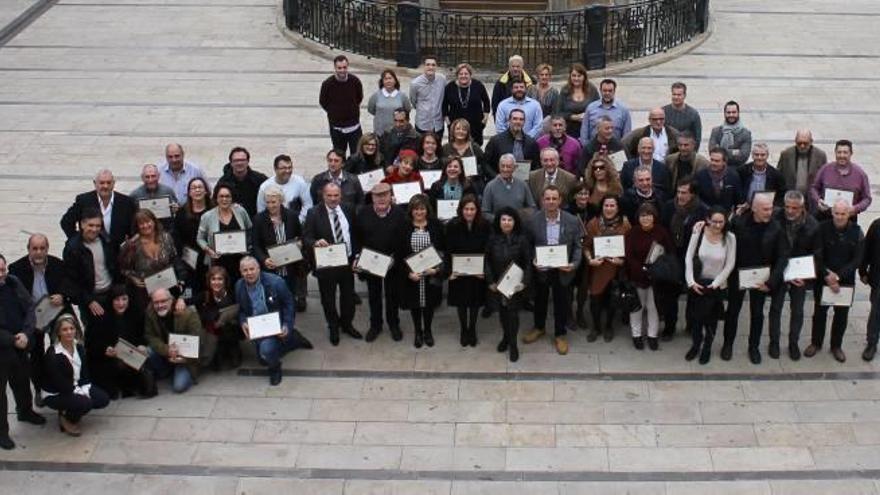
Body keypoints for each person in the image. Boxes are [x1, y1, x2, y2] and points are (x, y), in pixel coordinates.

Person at [723, 193, 789, 364]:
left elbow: (782, 257)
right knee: (732, 311)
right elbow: (722, 235)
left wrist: (771, 282)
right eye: (765, 209)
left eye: (771, 208)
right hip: (738, 275)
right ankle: (727, 344)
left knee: (757, 314)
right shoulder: (738, 223)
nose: (769, 212)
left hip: (761, 279)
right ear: (754, 209)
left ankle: (754, 347)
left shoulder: (777, 228)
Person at [9, 233, 73, 404]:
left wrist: (62, 295)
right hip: (33, 317)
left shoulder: (58, 264)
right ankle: (40, 389)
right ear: (28, 249)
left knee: (60, 350)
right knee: (35, 356)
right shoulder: (16, 269)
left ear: (47, 249)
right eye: (34, 249)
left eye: (42, 248)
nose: (38, 252)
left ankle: (64, 384)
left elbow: (69, 285)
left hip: (55, 312)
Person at [522, 186, 584, 355]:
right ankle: (539, 327)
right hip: (541, 268)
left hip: (563, 269)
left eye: (554, 198)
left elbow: (578, 246)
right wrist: (533, 260)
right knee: (540, 299)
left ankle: (560, 334)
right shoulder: (533, 221)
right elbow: (527, 245)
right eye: (547, 198)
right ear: (542, 200)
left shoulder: (572, 220)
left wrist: (573, 264)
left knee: (561, 302)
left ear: (560, 200)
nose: (551, 202)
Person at [804, 201, 864, 363]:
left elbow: (857, 260)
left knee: (841, 315)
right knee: (819, 313)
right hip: (823, 278)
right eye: (836, 213)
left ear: (849, 214)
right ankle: (816, 343)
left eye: (843, 213)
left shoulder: (857, 232)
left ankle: (836, 346)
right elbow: (816, 254)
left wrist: (837, 277)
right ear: (832, 213)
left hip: (844, 282)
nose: (839, 217)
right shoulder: (821, 228)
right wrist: (827, 275)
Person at [303, 182, 360, 345]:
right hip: (326, 263)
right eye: (329, 195)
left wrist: (356, 255)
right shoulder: (313, 213)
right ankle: (333, 327)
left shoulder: (348, 209)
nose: (333, 199)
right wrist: (315, 242)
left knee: (348, 296)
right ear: (323, 195)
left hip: (347, 261)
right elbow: (306, 237)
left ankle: (347, 324)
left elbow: (354, 233)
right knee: (328, 298)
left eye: (336, 195)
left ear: (341, 195)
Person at [767, 191, 820, 360]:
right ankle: (774, 342)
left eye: (794, 208)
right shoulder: (775, 217)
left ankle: (793, 343)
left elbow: (816, 254)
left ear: (802, 208)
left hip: (799, 275)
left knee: (797, 310)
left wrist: (805, 276)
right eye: (787, 207)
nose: (790, 211)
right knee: (775, 308)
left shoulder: (812, 225)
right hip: (779, 271)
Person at [0, 253, 45, 449]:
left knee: (22, 379)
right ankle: (2, 433)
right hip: (3, 347)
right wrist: (12, 340)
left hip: (20, 341)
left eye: (3, 269)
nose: (2, 274)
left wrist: (26, 334)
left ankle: (25, 411)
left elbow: (29, 308)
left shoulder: (13, 282)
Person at [236, 256, 304, 385]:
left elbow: (289, 304)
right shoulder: (239, 286)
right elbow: (241, 310)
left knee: (267, 351)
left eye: (252, 269)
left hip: (274, 324)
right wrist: (243, 321)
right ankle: (293, 340)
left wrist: (286, 325)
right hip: (255, 326)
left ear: (259, 268)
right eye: (245, 270)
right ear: (240, 272)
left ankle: (275, 369)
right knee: (262, 360)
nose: (249, 273)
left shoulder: (276, 282)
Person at [354, 183, 406, 342]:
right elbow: (357, 236)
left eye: (385, 195)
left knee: (392, 296)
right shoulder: (363, 213)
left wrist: (395, 258)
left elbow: (404, 240)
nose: (381, 199)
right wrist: (358, 256)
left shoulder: (399, 213)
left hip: (393, 263)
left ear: (391, 196)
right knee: (374, 295)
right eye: (378, 196)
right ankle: (375, 325)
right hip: (372, 263)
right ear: (372, 198)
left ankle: (393, 324)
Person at [683, 207, 736, 364]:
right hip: (698, 283)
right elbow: (688, 257)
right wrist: (691, 282)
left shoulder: (730, 238)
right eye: (714, 221)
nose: (718, 225)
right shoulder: (698, 231)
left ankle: (707, 347)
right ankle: (696, 345)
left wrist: (716, 284)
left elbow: (730, 264)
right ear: (708, 220)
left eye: (721, 222)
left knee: (711, 320)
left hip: (716, 286)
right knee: (696, 319)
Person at [42, 315, 109, 436]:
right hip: (56, 392)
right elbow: (60, 384)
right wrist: (81, 395)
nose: (69, 332)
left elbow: (84, 374)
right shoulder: (53, 354)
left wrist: (84, 389)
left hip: (75, 386)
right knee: (85, 403)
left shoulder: (79, 347)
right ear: (58, 332)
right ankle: (66, 418)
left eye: (72, 328)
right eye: (65, 329)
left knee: (103, 399)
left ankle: (72, 408)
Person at [658, 177, 708, 340]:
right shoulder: (668, 207)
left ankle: (691, 325)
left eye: (684, 193)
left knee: (693, 295)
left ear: (693, 194)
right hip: (673, 256)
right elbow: (662, 231)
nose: (680, 196)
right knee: (671, 295)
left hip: (693, 257)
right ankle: (669, 327)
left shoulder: (702, 210)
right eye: (678, 192)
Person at [395, 194, 445, 348]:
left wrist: (436, 270)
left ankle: (428, 331)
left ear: (427, 209)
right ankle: (418, 331)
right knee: (415, 306)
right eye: (416, 209)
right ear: (411, 210)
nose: (419, 212)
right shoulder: (404, 226)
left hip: (430, 275)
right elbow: (399, 254)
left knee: (429, 306)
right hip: (413, 276)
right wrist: (408, 273)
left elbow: (442, 250)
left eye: (422, 209)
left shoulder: (435, 225)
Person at [624, 202, 675, 350]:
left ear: (654, 217)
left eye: (649, 216)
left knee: (653, 307)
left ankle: (652, 335)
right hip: (637, 276)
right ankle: (636, 335)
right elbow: (628, 255)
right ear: (638, 217)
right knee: (637, 307)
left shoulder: (661, 232)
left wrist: (657, 269)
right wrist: (640, 269)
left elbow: (669, 252)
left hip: (656, 277)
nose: (645, 219)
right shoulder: (632, 233)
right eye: (642, 216)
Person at [485, 207, 532, 361]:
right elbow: (486, 261)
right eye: (503, 219)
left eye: (510, 220)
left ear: (515, 222)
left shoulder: (522, 239)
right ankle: (505, 337)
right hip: (498, 284)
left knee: (513, 314)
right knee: (502, 313)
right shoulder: (492, 239)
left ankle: (513, 344)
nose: (506, 223)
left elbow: (528, 263)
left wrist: (524, 282)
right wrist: (490, 280)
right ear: (499, 222)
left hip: (515, 285)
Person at [89, 285, 153, 398]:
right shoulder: (101, 317)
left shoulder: (135, 313)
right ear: (111, 301)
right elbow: (91, 343)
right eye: (117, 300)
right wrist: (105, 349)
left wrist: (142, 345)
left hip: (130, 356)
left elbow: (143, 335)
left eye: (124, 299)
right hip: (107, 359)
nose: (121, 303)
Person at [62, 208, 120, 333]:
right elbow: (71, 280)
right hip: (90, 298)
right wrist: (89, 301)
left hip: (110, 293)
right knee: (94, 335)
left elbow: (114, 266)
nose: (94, 229)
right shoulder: (73, 248)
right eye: (91, 225)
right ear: (82, 224)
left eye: (98, 226)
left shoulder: (107, 240)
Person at [252, 184, 307, 311]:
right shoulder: (259, 219)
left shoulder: (292, 216)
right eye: (268, 202)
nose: (271, 205)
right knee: (272, 301)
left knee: (289, 299)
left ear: (281, 201)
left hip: (290, 268)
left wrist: (299, 243)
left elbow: (300, 236)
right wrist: (264, 259)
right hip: (271, 269)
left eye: (274, 202)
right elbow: (256, 245)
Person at [583, 195, 630, 342]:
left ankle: (609, 326)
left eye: (612, 206)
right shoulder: (593, 224)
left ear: (617, 208)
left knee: (612, 300)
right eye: (606, 206)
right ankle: (596, 327)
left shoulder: (625, 225)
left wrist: (622, 261)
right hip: (598, 269)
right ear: (602, 207)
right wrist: (590, 259)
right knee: (595, 300)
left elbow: (630, 249)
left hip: (616, 269)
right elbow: (585, 246)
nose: (609, 209)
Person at [445, 195, 490, 346]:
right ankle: (464, 329)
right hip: (458, 272)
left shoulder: (484, 226)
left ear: (477, 210)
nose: (469, 212)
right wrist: (450, 271)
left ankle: (472, 328)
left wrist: (484, 271)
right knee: (461, 302)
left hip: (477, 273)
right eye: (466, 209)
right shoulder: (453, 225)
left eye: (472, 209)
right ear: (461, 210)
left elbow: (487, 250)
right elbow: (448, 250)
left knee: (475, 302)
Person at [119, 209, 183, 312]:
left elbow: (173, 259)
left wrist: (175, 278)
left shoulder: (166, 237)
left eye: (148, 221)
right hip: (144, 293)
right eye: (141, 223)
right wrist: (132, 278)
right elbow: (123, 268)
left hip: (166, 287)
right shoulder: (132, 245)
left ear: (154, 221)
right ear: (137, 226)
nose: (145, 226)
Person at [144, 287, 206, 393]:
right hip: (166, 352)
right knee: (148, 350)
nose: (159, 305)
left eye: (163, 301)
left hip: (184, 357)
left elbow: (198, 342)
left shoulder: (188, 314)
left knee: (179, 387)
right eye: (156, 302)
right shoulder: (150, 312)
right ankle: (166, 372)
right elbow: (150, 336)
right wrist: (167, 350)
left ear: (171, 300)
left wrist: (183, 357)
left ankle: (182, 371)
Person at [60, 169, 137, 247]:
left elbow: (134, 226)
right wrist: (77, 240)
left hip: (118, 251)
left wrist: (129, 243)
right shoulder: (84, 200)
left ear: (113, 183)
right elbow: (66, 222)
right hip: (90, 250)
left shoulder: (126, 202)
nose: (105, 186)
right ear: (95, 183)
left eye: (109, 183)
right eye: (102, 183)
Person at [196, 183, 253, 286]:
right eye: (221, 196)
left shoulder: (240, 211)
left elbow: (250, 230)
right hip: (218, 262)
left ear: (232, 198)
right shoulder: (207, 216)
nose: (224, 199)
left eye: (227, 196)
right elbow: (200, 239)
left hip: (240, 260)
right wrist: (209, 251)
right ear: (216, 198)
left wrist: (247, 245)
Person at [809, 139, 872, 220]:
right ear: (835, 153)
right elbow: (814, 188)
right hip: (825, 216)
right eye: (839, 152)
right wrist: (818, 200)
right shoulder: (825, 169)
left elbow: (867, 198)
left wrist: (855, 208)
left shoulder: (860, 174)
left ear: (851, 154)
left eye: (845, 152)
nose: (842, 155)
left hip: (848, 218)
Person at [195, 267, 243, 370]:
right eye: (213, 279)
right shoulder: (205, 295)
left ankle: (234, 348)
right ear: (209, 281)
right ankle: (219, 350)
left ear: (225, 281)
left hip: (231, 330)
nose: (216, 282)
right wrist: (181, 301)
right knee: (215, 366)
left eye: (220, 279)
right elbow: (188, 302)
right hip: (213, 332)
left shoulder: (233, 295)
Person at [174, 177, 212, 297]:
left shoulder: (214, 209)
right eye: (193, 188)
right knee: (191, 292)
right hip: (190, 260)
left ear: (206, 190)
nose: (197, 190)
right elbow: (177, 236)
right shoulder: (182, 213)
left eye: (200, 187)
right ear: (189, 192)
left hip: (210, 257)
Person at [319, 54, 363, 157]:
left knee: (356, 155)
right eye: (339, 68)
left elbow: (359, 97)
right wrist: (334, 112)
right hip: (337, 128)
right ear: (335, 68)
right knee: (339, 156)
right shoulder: (327, 84)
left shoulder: (355, 81)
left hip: (354, 127)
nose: (342, 70)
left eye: (344, 67)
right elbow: (323, 101)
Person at [256, 154, 313, 225]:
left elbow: (308, 204)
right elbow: (261, 209)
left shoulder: (300, 182)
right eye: (283, 168)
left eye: (290, 167)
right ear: (275, 169)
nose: (287, 171)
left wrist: (299, 221)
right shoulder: (265, 187)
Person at [483, 108, 540, 179]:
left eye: (521, 119)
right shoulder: (496, 141)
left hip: (524, 184)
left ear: (524, 122)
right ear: (509, 120)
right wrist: (495, 177)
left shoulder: (531, 143)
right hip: (500, 183)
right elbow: (485, 164)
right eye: (515, 119)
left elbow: (537, 165)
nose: (518, 122)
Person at [442, 63, 491, 145]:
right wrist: (448, 123)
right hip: (456, 127)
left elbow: (486, 102)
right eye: (461, 74)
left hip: (476, 126)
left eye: (466, 74)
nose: (463, 76)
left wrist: (484, 119)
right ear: (457, 75)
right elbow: (444, 105)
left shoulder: (478, 85)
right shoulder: (450, 87)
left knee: (474, 151)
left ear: (470, 75)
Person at [482, 154, 537, 222]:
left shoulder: (523, 185)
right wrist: (500, 220)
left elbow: (532, 208)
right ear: (499, 167)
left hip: (519, 227)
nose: (505, 169)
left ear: (514, 168)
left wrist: (521, 216)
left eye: (508, 167)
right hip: (497, 229)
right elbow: (485, 212)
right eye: (503, 166)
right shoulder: (490, 186)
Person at [216, 146, 268, 217]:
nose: (239, 163)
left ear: (248, 161)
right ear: (231, 163)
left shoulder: (260, 179)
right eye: (236, 160)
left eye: (242, 160)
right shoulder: (223, 182)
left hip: (256, 222)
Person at [776, 129, 827, 201]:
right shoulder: (786, 154)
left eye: (805, 143)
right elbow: (779, 175)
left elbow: (824, 178)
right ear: (795, 141)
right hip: (791, 198)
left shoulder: (820, 155)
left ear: (811, 141)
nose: (802, 146)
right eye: (799, 143)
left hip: (811, 199)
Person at [579, 78, 632, 145]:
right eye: (604, 90)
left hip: (615, 150)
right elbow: (584, 133)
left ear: (614, 91)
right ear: (600, 91)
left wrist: (620, 151)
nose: (607, 93)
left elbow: (627, 136)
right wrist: (588, 149)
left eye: (610, 91)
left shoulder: (623, 110)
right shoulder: (591, 108)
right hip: (594, 150)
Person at [555, 63, 599, 139]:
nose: (576, 78)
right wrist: (573, 117)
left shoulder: (592, 89)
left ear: (584, 77)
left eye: (579, 76)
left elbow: (598, 108)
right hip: (569, 130)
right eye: (574, 76)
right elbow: (558, 113)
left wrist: (587, 116)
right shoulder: (565, 90)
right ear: (570, 76)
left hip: (589, 129)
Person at [694, 147, 745, 213]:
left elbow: (738, 199)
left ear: (724, 162)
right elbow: (696, 197)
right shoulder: (701, 175)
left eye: (717, 161)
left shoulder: (733, 175)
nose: (713, 163)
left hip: (726, 215)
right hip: (706, 213)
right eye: (712, 160)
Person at [367, 68, 412, 137]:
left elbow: (407, 110)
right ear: (382, 81)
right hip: (380, 133)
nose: (388, 81)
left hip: (397, 133)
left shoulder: (402, 96)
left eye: (390, 78)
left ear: (395, 80)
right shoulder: (376, 96)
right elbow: (371, 109)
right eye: (385, 79)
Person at [410, 55, 446, 140]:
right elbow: (413, 101)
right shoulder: (415, 84)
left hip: (438, 124)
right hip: (422, 123)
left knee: (438, 148)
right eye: (428, 64)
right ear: (423, 66)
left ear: (436, 67)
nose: (430, 67)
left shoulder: (442, 79)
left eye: (433, 65)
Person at [709, 100, 752, 168]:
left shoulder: (745, 133)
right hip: (717, 168)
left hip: (737, 170)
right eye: (728, 112)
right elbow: (712, 152)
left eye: (734, 112)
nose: (731, 115)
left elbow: (743, 156)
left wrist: (721, 150)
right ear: (724, 113)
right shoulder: (716, 131)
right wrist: (735, 152)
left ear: (738, 113)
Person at [662, 82, 702, 151]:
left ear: (684, 95)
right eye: (674, 94)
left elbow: (697, 138)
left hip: (686, 152)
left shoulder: (693, 114)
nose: (676, 97)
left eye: (679, 95)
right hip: (667, 152)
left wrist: (693, 155)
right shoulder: (663, 112)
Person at [861, 216, 880, 361]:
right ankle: (871, 343)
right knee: (876, 312)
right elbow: (866, 249)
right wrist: (863, 271)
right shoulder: (877, 225)